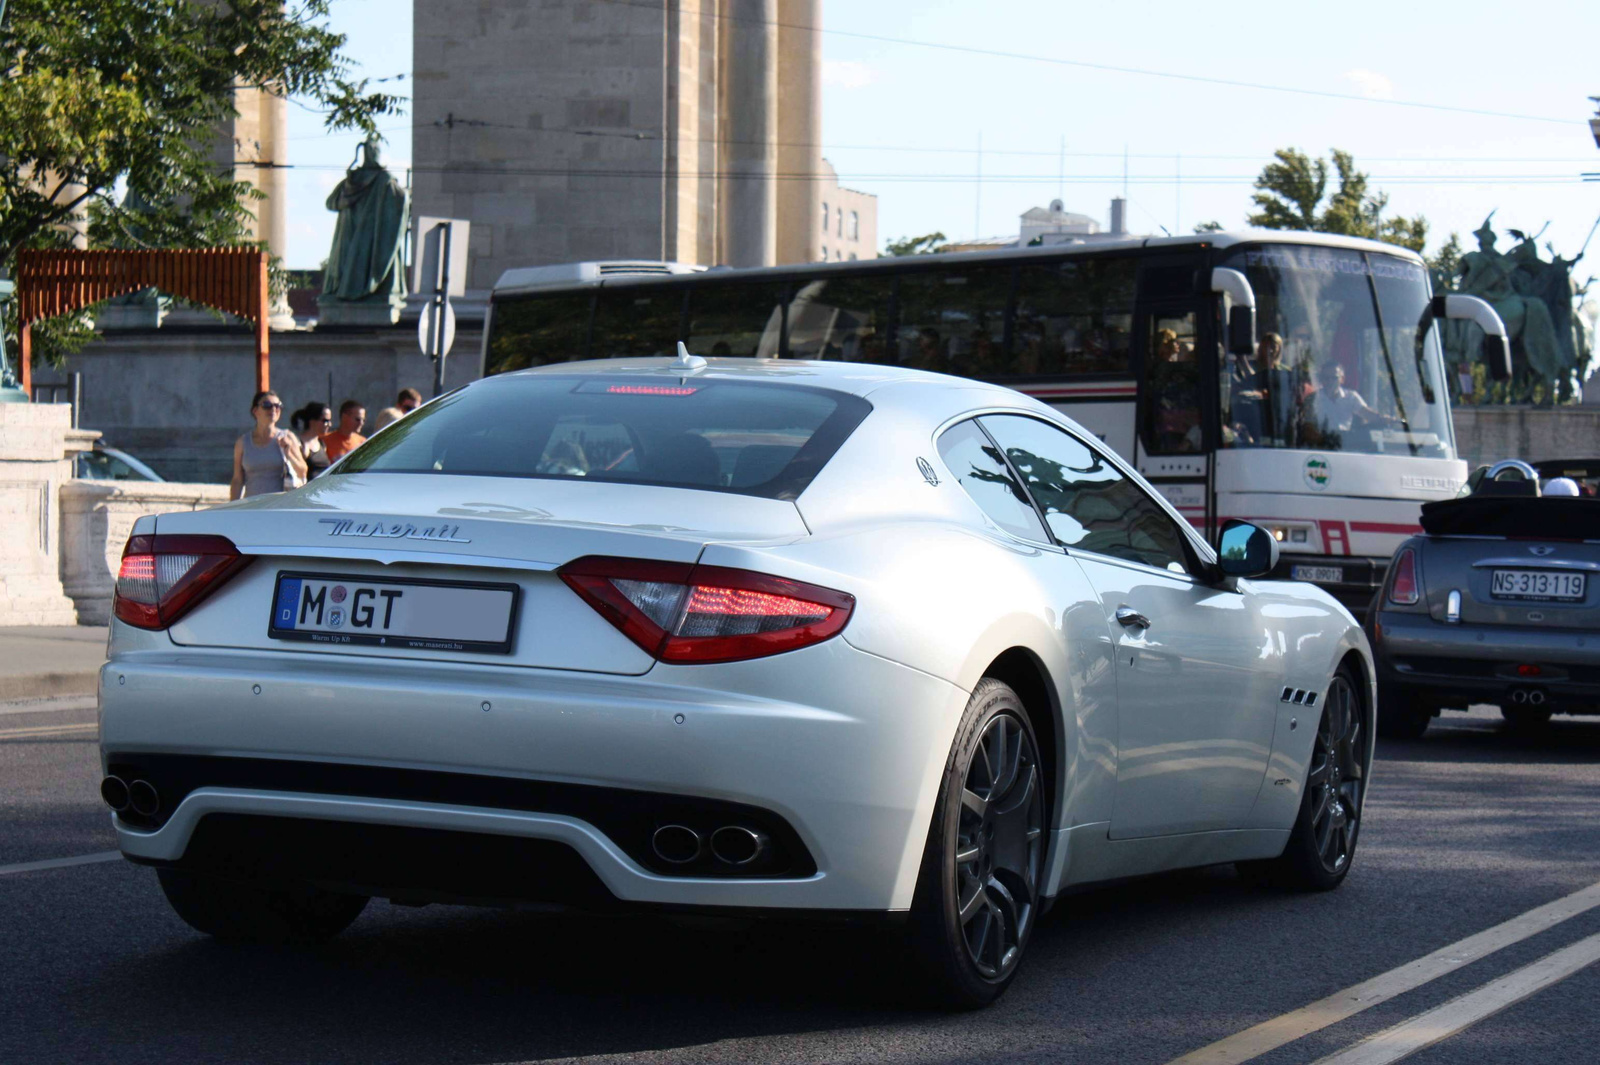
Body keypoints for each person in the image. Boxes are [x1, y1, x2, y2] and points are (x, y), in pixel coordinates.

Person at [230, 391, 308, 500]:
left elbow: (303, 471)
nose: (273, 409)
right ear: (255, 411)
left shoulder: (288, 437)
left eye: (278, 405)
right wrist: (232, 508)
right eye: (267, 405)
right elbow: (237, 479)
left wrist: (289, 453)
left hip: (280, 507)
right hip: (251, 506)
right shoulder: (243, 442)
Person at [291, 402, 334, 478]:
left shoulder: (321, 444)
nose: (329, 425)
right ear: (312, 421)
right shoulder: (299, 444)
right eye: (325, 421)